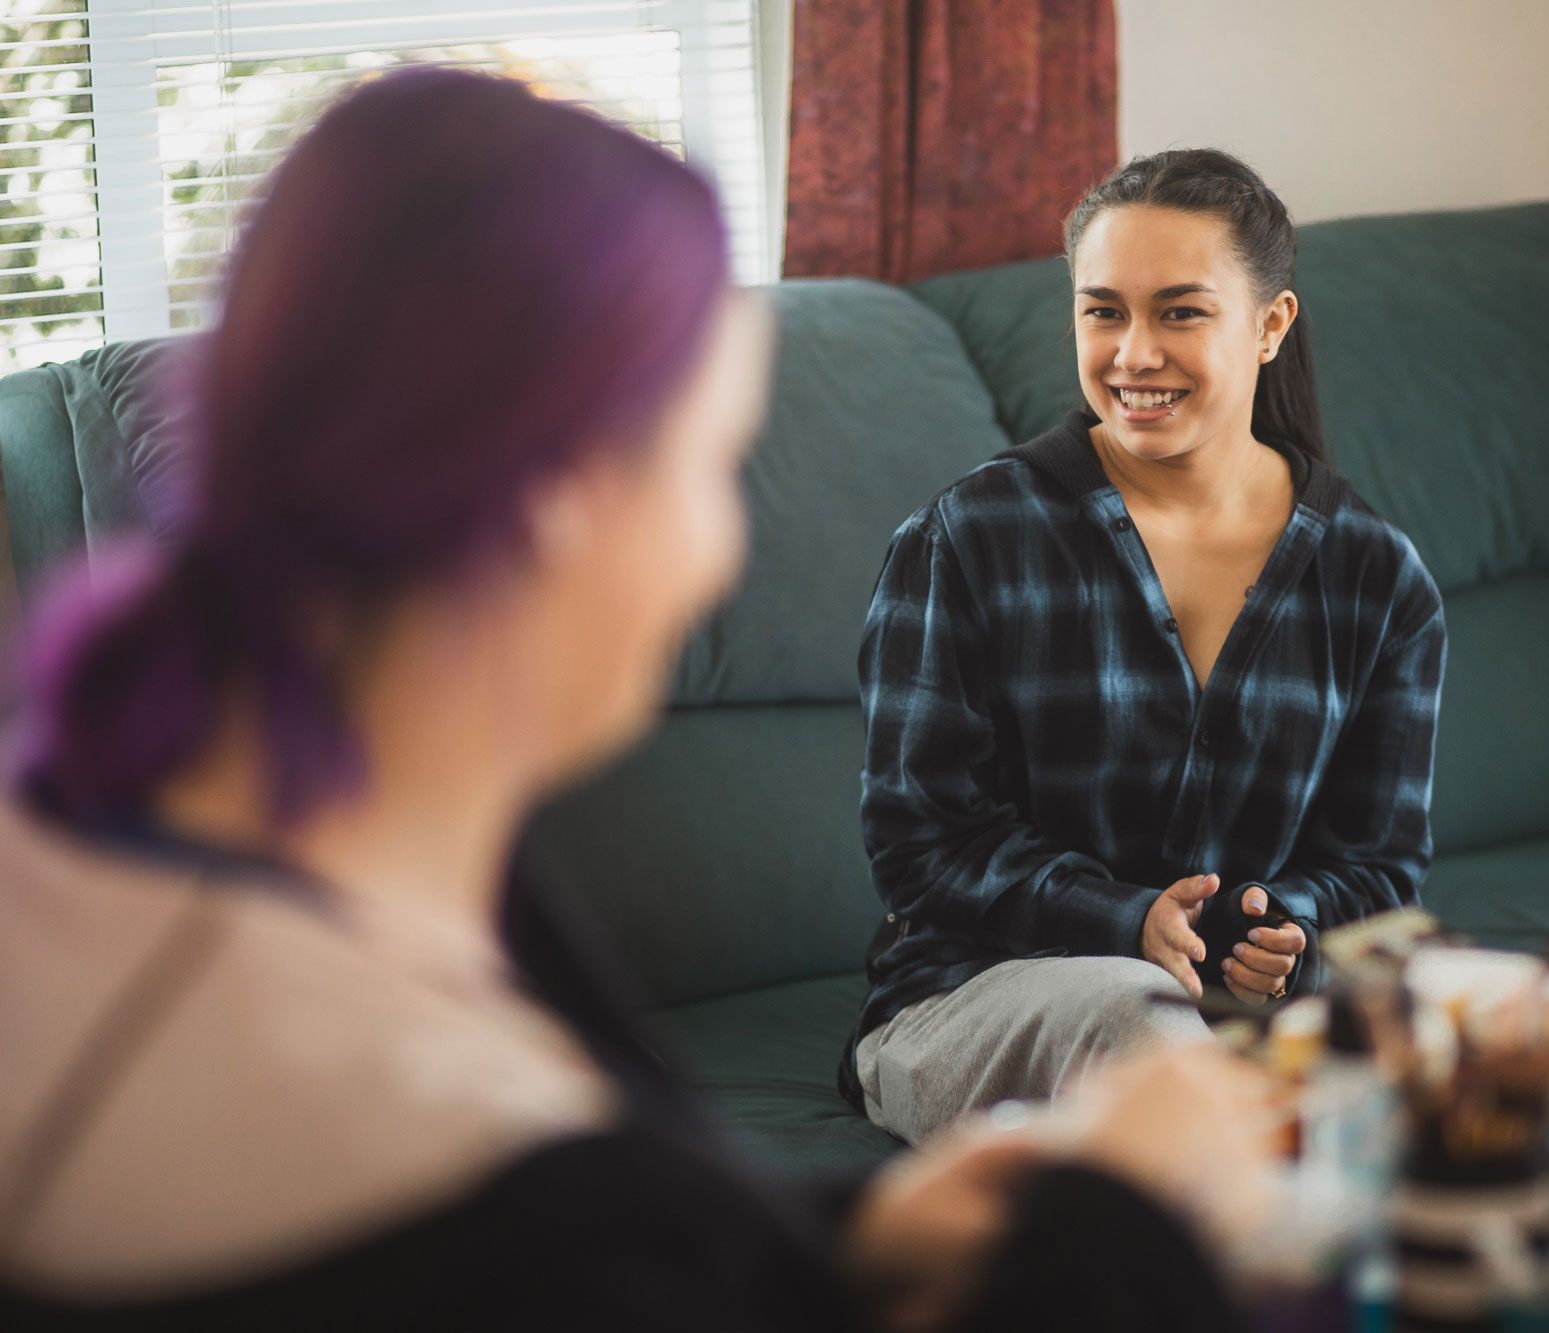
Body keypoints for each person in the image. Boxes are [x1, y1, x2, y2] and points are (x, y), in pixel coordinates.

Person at [0, 70, 1280, 1331]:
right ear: (559, 510)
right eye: (713, 466)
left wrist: (852, 1235)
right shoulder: (524, 1199)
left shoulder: (127, 829)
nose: (721, 548)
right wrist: (1122, 1222)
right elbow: (594, 1249)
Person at [849, 148, 1447, 1144]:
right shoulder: (965, 541)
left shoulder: (1376, 577)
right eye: (1101, 311)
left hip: (1252, 1019)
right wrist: (1117, 916)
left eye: (1179, 311)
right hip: (978, 998)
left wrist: (1285, 927)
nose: (1131, 354)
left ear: (1268, 325)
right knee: (1142, 1014)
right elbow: (918, 842)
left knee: (1474, 1032)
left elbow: (1380, 868)